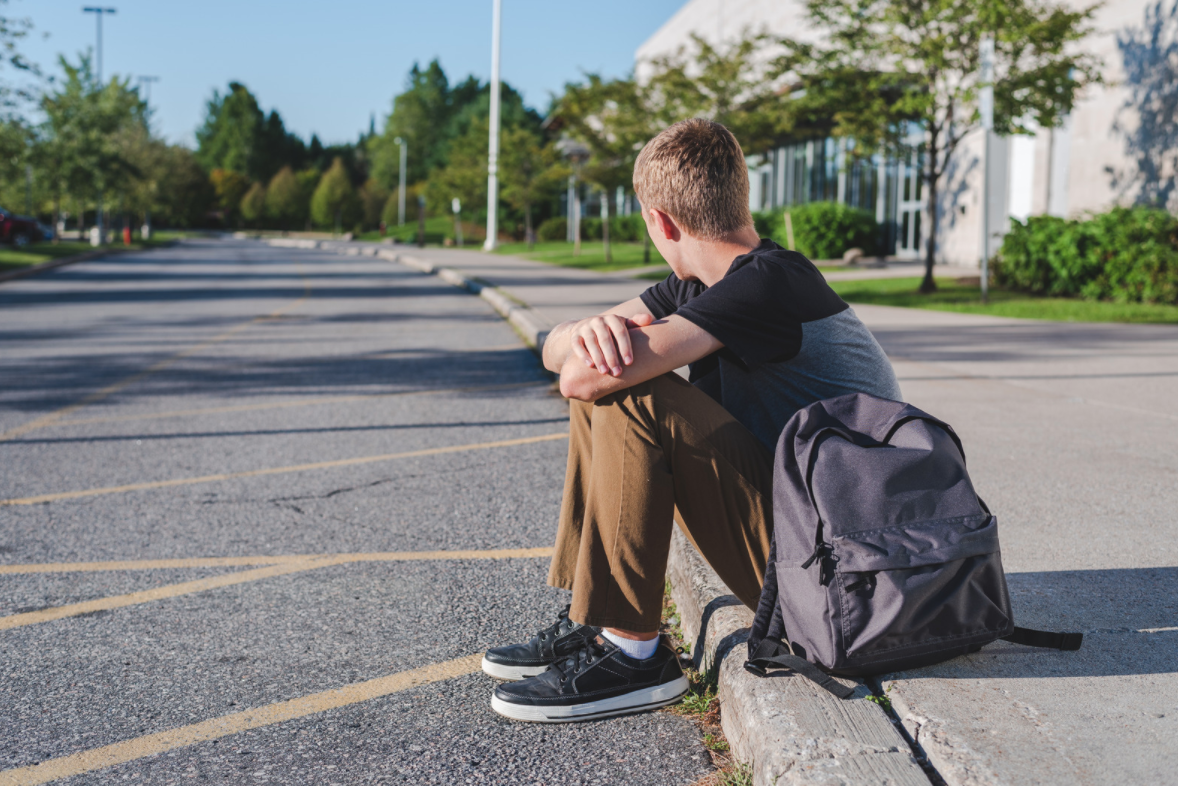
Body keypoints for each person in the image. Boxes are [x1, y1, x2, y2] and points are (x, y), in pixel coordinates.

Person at [483, 119, 902, 723]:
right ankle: (593, 618)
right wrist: (582, 331)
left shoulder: (767, 285)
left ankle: (634, 654)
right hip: (818, 550)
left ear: (660, 222)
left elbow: (580, 377)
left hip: (843, 576)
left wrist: (589, 348)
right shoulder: (704, 285)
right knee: (612, 375)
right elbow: (559, 352)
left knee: (631, 392)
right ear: (740, 196)